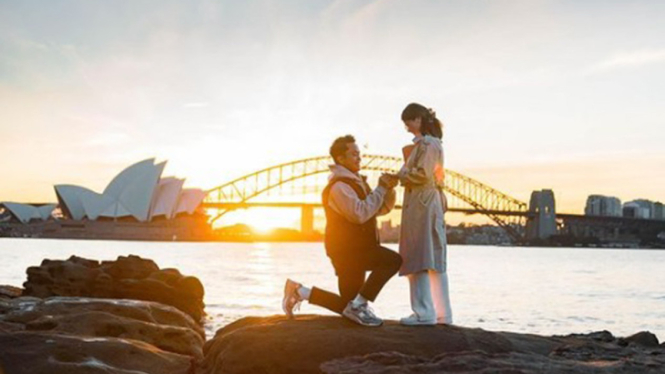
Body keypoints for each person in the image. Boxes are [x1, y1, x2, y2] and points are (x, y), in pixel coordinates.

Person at [282, 135, 402, 327]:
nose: (359, 158)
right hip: (349, 251)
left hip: (359, 249)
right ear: (340, 159)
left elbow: (379, 209)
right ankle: (359, 304)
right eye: (354, 154)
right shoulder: (339, 186)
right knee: (393, 261)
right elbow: (360, 214)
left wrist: (388, 190)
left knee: (348, 307)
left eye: (359, 154)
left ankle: (300, 291)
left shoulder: (357, 183)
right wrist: (379, 188)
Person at [395, 103, 453, 326]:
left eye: (408, 121)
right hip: (429, 203)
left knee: (417, 255)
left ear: (418, 119)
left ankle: (423, 312)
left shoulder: (427, 144)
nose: (406, 127)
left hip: (422, 204)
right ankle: (442, 314)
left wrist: (400, 175)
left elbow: (421, 174)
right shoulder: (432, 143)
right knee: (434, 258)